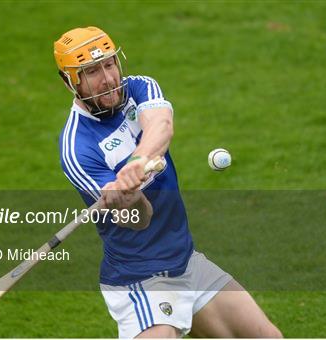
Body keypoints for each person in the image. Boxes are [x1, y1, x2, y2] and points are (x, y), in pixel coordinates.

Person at [54, 26, 282, 338]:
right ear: (70, 82)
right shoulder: (77, 149)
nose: (107, 79)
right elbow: (139, 220)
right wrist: (129, 197)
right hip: (141, 279)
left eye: (109, 64)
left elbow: (161, 125)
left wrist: (136, 163)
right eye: (92, 72)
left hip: (185, 259)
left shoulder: (138, 88)